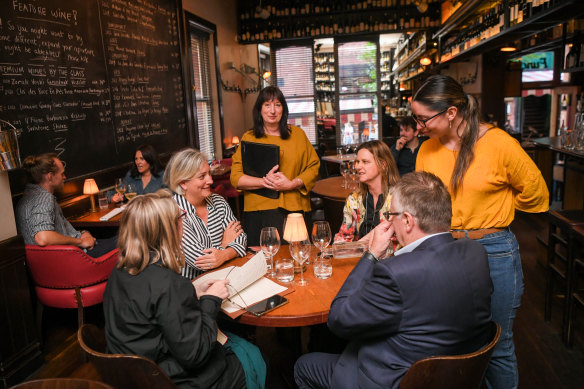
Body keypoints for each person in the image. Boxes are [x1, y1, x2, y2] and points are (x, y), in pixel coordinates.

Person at [294, 172, 493, 389]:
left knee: (304, 365)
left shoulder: (396, 272)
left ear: (407, 220)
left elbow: (339, 319)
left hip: (403, 380)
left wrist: (371, 254)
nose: (389, 222)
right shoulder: (476, 252)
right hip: (460, 376)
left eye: (391, 215)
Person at [412, 74, 549, 389]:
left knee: (498, 344)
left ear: (451, 112)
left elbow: (535, 191)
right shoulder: (426, 151)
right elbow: (421, 200)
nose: (418, 126)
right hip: (444, 251)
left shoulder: (498, 143)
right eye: (415, 118)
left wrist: (497, 210)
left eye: (423, 119)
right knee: (456, 341)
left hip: (494, 251)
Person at [103, 191, 265, 389]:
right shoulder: (168, 282)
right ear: (170, 229)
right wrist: (211, 299)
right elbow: (195, 355)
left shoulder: (121, 269)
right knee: (251, 355)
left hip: (128, 372)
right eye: (180, 218)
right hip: (164, 379)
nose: (183, 222)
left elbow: (152, 304)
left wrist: (191, 291)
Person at [230, 86, 320, 246]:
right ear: (259, 109)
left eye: (277, 105)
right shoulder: (249, 138)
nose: (272, 110)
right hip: (259, 211)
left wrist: (291, 184)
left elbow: (313, 167)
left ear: (283, 109)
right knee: (264, 263)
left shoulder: (298, 135)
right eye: (267, 105)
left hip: (295, 209)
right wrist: (265, 182)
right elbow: (236, 178)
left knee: (298, 258)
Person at [165, 148, 247, 280]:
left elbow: (241, 238)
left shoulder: (218, 201)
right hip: (191, 288)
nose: (210, 181)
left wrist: (223, 254)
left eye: (209, 173)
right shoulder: (173, 213)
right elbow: (202, 261)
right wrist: (225, 243)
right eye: (202, 176)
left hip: (225, 276)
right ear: (183, 183)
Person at [15, 153, 117, 258]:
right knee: (126, 239)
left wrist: (83, 233)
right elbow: (43, 237)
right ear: (50, 176)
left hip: (54, 264)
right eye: (62, 174)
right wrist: (80, 241)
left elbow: (58, 232)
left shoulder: (26, 197)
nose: (65, 177)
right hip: (74, 258)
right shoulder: (44, 198)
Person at [334, 140, 400, 243]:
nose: (358, 167)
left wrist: (359, 244)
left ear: (383, 165)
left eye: (365, 162)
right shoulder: (354, 199)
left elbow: (396, 242)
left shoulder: (399, 198)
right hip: (359, 257)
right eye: (358, 162)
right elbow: (344, 237)